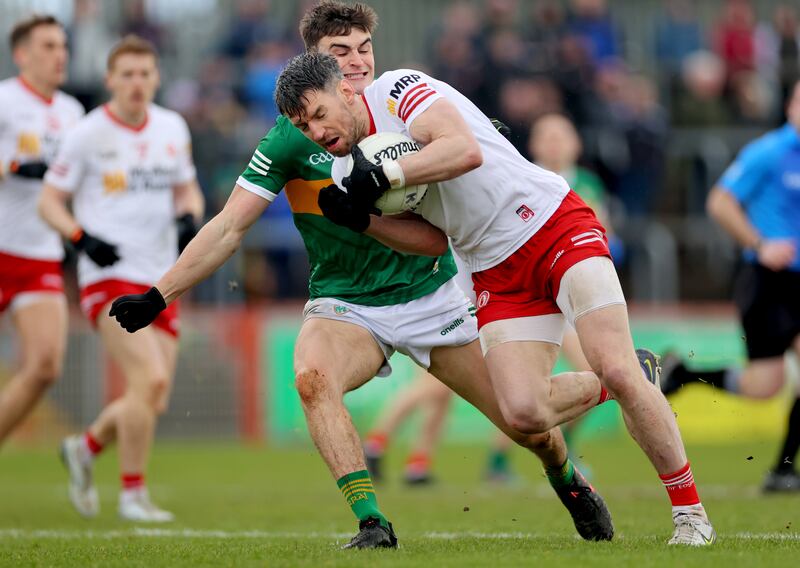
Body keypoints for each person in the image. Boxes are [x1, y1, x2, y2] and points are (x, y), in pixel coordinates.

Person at [108, 1, 616, 549]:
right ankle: (372, 523)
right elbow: (229, 227)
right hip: (346, 302)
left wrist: (368, 219)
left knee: (527, 425)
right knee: (312, 379)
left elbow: (435, 239)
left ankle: (570, 474)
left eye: (363, 50)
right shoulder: (290, 137)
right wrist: (160, 294)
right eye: (340, 53)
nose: (356, 63)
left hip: (434, 293)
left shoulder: (406, 111)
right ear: (315, 67)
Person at [272, 51, 718, 546]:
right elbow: (432, 241)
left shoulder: (399, 91)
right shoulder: (342, 173)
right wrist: (364, 221)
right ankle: (633, 373)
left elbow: (464, 149)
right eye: (301, 126)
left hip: (551, 223)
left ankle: (690, 516)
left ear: (346, 92)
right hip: (491, 269)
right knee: (524, 414)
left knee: (612, 365)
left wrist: (388, 177)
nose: (314, 131)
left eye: (317, 114)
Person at [38, 35, 204, 522]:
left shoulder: (172, 126)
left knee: (153, 394)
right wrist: (80, 237)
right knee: (148, 379)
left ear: (157, 78)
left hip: (160, 281)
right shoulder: (88, 133)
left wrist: (189, 216)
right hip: (107, 276)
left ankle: (85, 448)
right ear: (110, 80)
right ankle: (132, 495)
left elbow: (186, 187)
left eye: (144, 74)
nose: (136, 83)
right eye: (126, 74)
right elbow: (50, 200)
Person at [660, 80, 800, 493]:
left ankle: (783, 471)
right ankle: (686, 375)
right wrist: (760, 244)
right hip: (768, 281)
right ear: (791, 105)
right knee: (764, 386)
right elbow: (720, 202)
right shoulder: (770, 152)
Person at [0, 15, 84, 447]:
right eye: (48, 46)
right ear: (21, 54)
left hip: (39, 256)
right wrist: (13, 166)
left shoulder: (72, 113)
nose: (59, 54)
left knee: (46, 365)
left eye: (62, 46)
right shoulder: (5, 100)